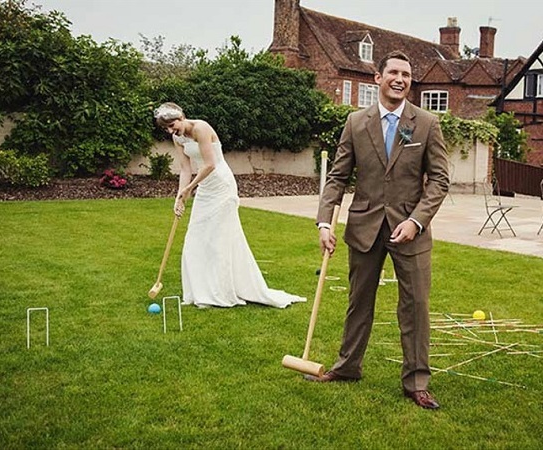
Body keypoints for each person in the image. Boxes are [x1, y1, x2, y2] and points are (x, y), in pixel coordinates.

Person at [305, 51, 449, 410]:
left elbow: (440, 181)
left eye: (407, 74)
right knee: (359, 303)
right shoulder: (355, 122)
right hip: (364, 227)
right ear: (378, 78)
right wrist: (325, 221)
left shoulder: (427, 123)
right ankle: (348, 367)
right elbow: (337, 177)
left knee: (415, 306)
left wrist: (416, 221)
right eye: (394, 72)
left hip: (410, 230)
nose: (400, 79)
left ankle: (416, 382)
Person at [153, 102, 305, 309]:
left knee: (219, 241)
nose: (171, 131)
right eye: (167, 128)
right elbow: (185, 168)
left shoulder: (201, 128)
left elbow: (209, 164)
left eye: (173, 125)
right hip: (204, 187)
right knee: (195, 238)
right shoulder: (177, 138)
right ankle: (200, 293)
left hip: (221, 186)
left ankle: (219, 293)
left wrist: (190, 188)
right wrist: (180, 195)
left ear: (181, 117)